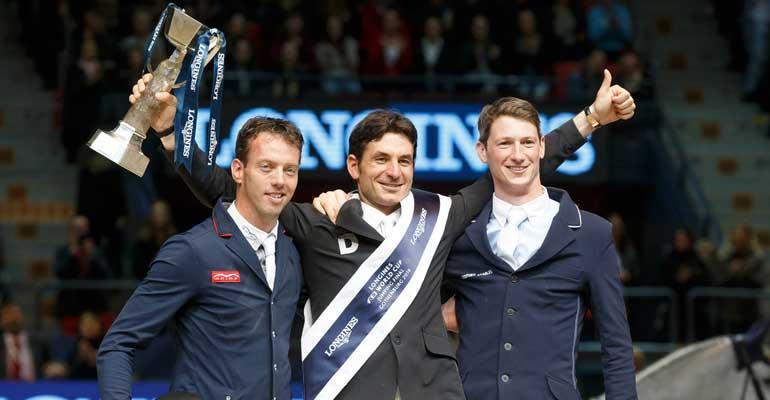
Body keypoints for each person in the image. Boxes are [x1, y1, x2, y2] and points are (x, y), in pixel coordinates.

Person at [130, 64, 634, 400]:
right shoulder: (315, 220)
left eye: (405, 161)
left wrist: (591, 119)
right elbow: (228, 189)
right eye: (381, 160)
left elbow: (515, 163)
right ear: (354, 164)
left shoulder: (439, 216)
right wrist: (176, 135)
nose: (395, 172)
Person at [97, 117, 305, 400]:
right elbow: (118, 344)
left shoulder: (293, 253)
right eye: (266, 167)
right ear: (238, 171)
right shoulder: (193, 251)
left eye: (290, 170)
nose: (279, 180)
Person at [442, 97, 637, 399]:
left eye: (528, 143)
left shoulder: (592, 234)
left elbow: (616, 344)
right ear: (482, 151)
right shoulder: (459, 235)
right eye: (505, 143)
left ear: (542, 147)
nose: (518, 155)